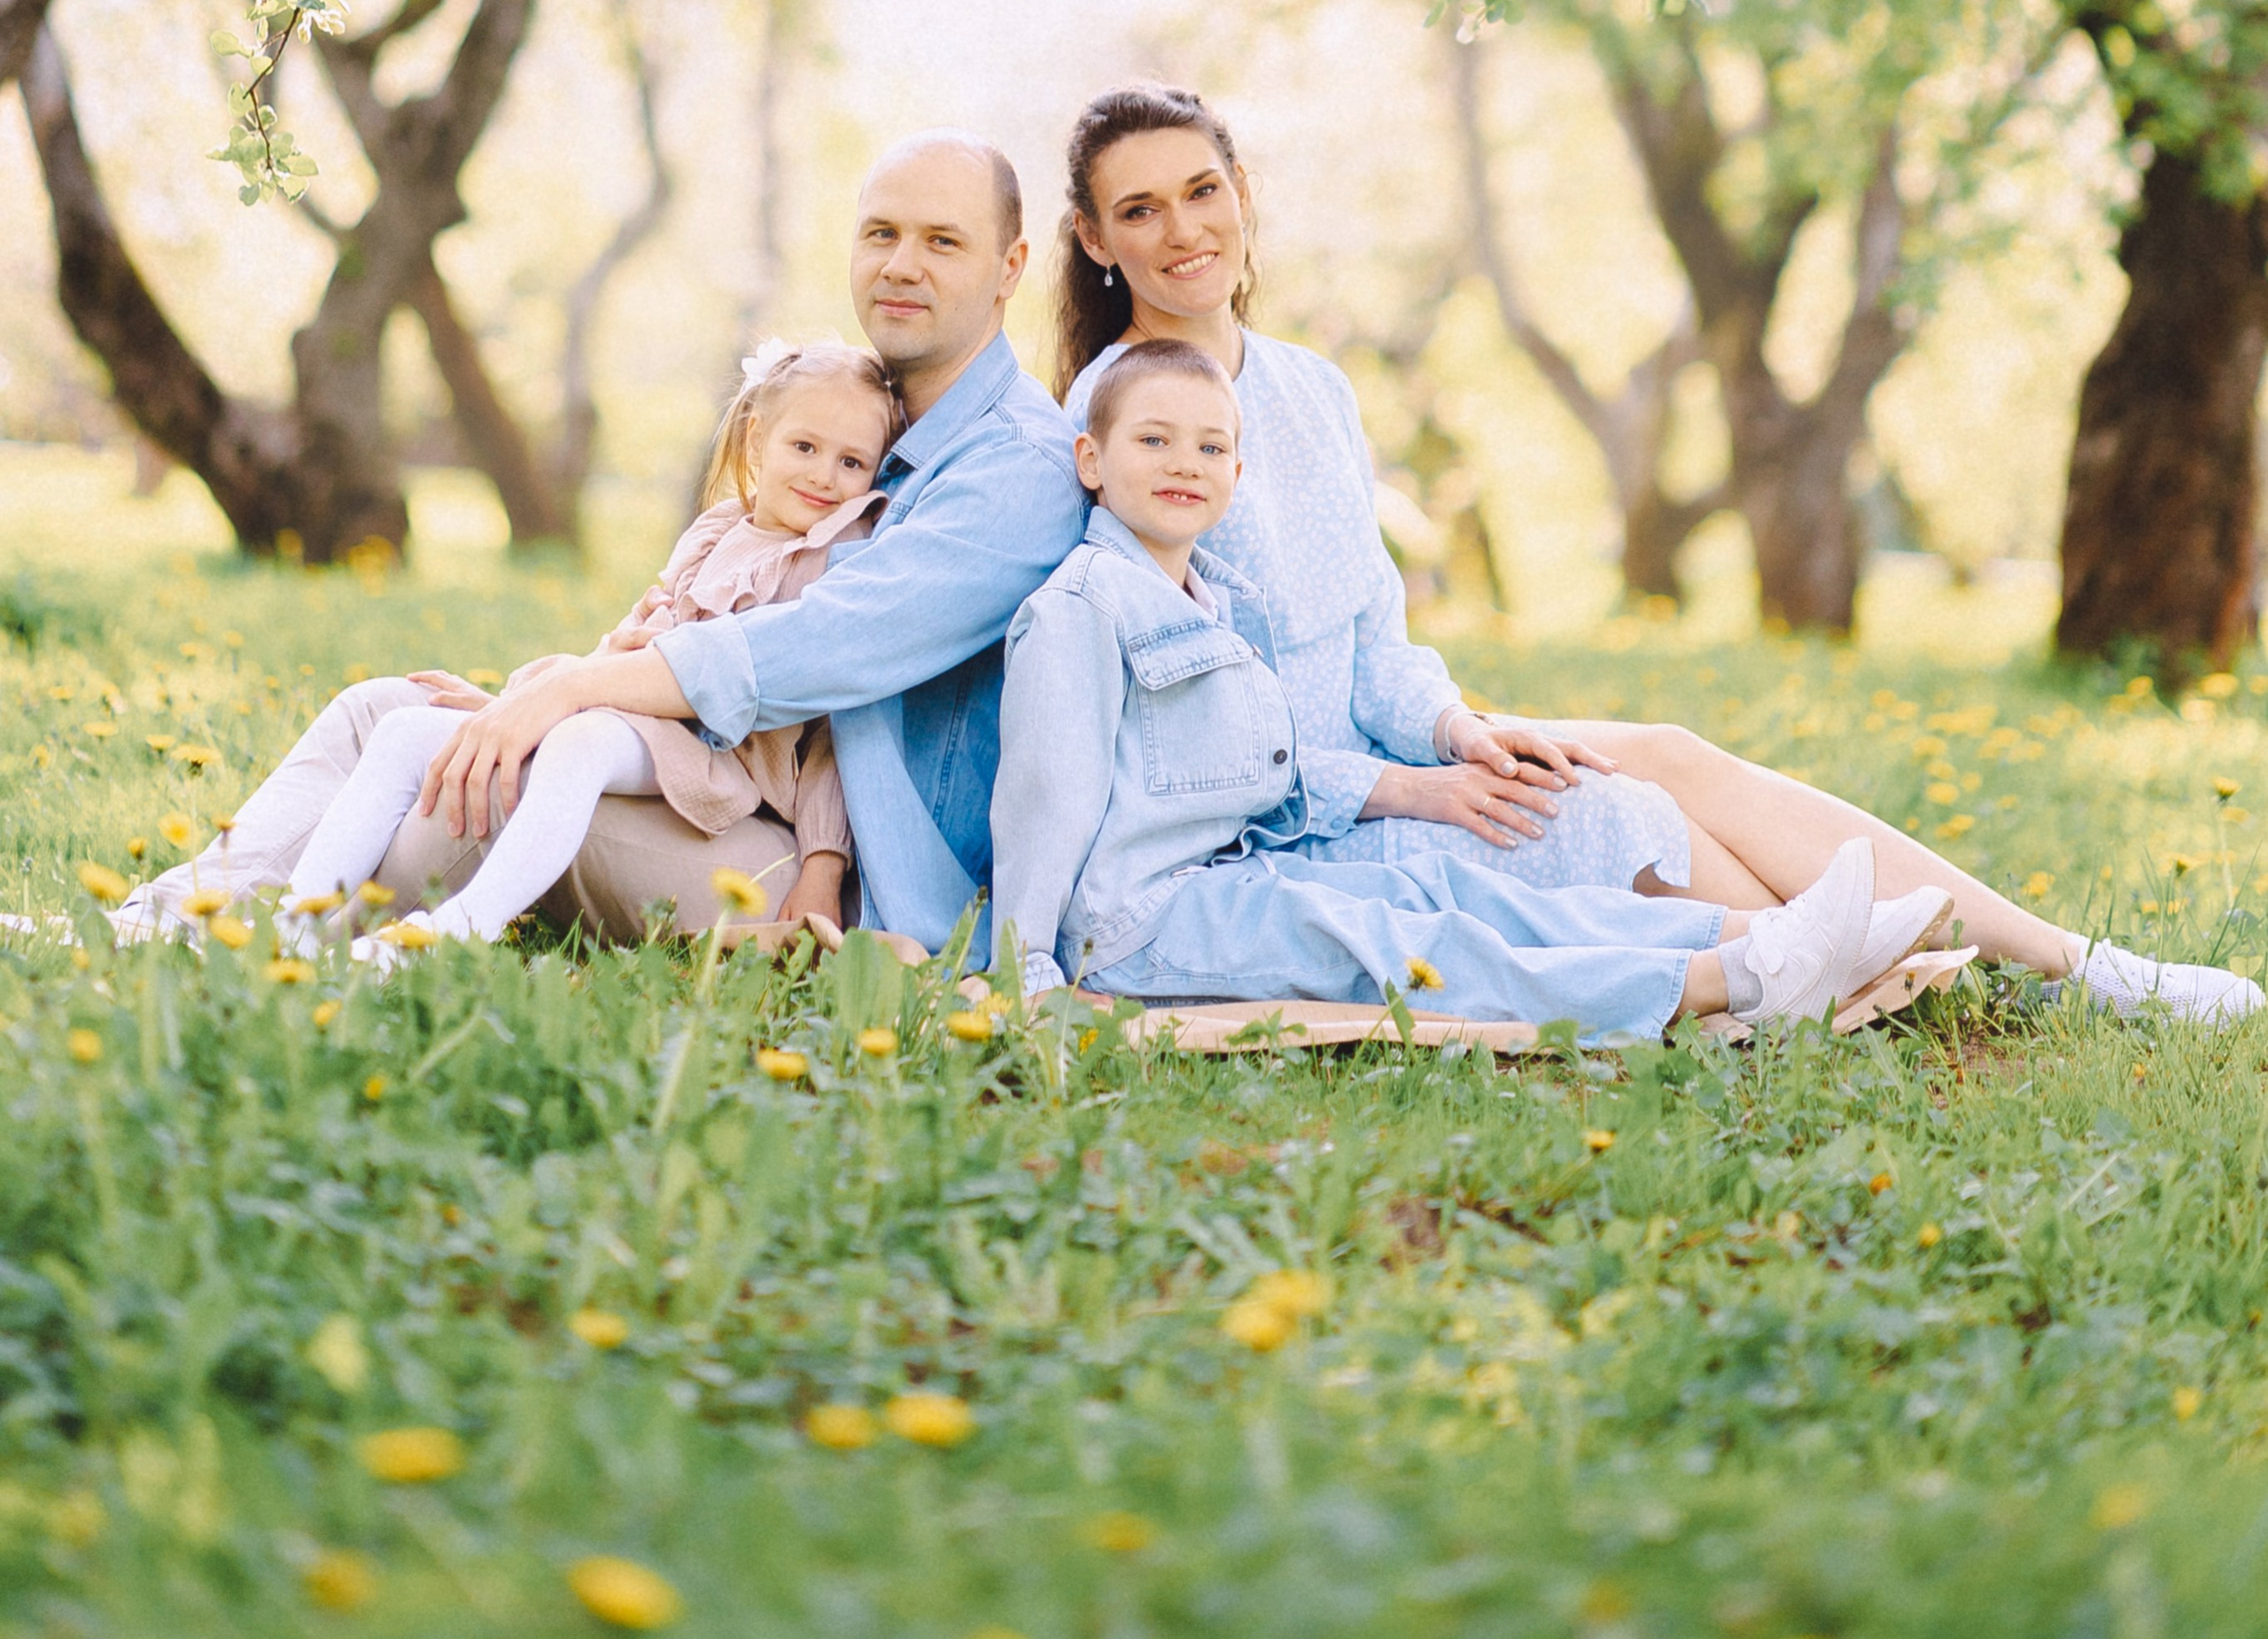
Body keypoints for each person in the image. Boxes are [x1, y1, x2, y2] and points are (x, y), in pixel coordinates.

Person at [1052, 81, 2264, 1027]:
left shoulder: (1310, 389)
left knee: (1666, 753)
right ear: (1096, 240)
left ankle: (2076, 961)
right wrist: (1422, 787)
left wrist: (1462, 733)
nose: (1182, 231)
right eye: (1140, 210)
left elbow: (1380, 641)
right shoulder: (1125, 427)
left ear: (1242, 193)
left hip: (1397, 748)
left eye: (1201, 191)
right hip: (1294, 817)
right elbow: (1195, 737)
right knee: (1621, 819)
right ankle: (1916, 969)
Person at [120, 136, 1085, 955]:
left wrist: (560, 696)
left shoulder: (1016, 469)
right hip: (717, 793)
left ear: (1009, 268)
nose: (901, 263)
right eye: (881, 232)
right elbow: (689, 614)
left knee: (507, 775)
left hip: (838, 885)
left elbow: (806, 650)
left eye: (943, 241)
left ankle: (283, 940)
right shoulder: (863, 418)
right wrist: (538, 694)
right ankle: (154, 918)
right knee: (393, 710)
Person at [993, 339, 1952, 1033]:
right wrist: (1026, 970)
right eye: (1153, 441)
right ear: (1091, 459)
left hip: (1237, 874)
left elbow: (1249, 779)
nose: (1182, 464)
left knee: (1455, 892)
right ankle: (1729, 982)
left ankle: (1781, 936)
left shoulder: (1214, 602)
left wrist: (1418, 767)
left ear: (1237, 475)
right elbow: (1044, 797)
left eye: (1209, 448)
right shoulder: (1084, 607)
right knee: (1408, 944)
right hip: (1137, 926)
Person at [272, 342, 894, 964]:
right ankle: (292, 927)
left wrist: (822, 862)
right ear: (757, 441)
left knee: (581, 743)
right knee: (406, 730)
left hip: (723, 764)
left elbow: (833, 740)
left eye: (851, 461)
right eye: (805, 447)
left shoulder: (835, 558)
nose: (824, 476)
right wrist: (521, 707)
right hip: (636, 722)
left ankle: (455, 932)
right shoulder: (718, 530)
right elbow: (627, 640)